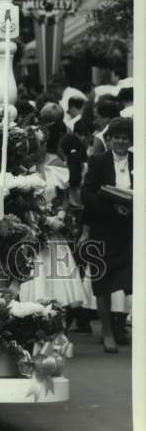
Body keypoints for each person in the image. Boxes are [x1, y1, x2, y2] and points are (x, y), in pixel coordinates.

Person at [18, 125, 89, 309]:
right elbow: (22, 204)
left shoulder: (54, 167)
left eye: (40, 144)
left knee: (58, 277)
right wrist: (44, 220)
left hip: (54, 233)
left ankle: (57, 321)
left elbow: (64, 197)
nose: (37, 148)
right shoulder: (21, 172)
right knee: (37, 277)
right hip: (32, 231)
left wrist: (60, 213)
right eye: (33, 144)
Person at [81, 117, 133, 353]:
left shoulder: (138, 161)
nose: (121, 142)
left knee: (133, 279)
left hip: (131, 230)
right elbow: (87, 195)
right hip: (103, 229)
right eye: (117, 137)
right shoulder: (98, 161)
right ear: (109, 139)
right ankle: (108, 331)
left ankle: (123, 326)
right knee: (103, 283)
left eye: (126, 138)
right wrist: (113, 207)